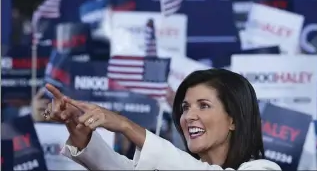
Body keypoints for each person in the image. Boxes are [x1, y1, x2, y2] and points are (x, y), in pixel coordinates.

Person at [43, 69, 281, 170]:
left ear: (234, 120)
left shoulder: (264, 168)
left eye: (204, 106)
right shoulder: (175, 165)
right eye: (185, 107)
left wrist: (126, 126)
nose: (189, 116)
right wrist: (78, 127)